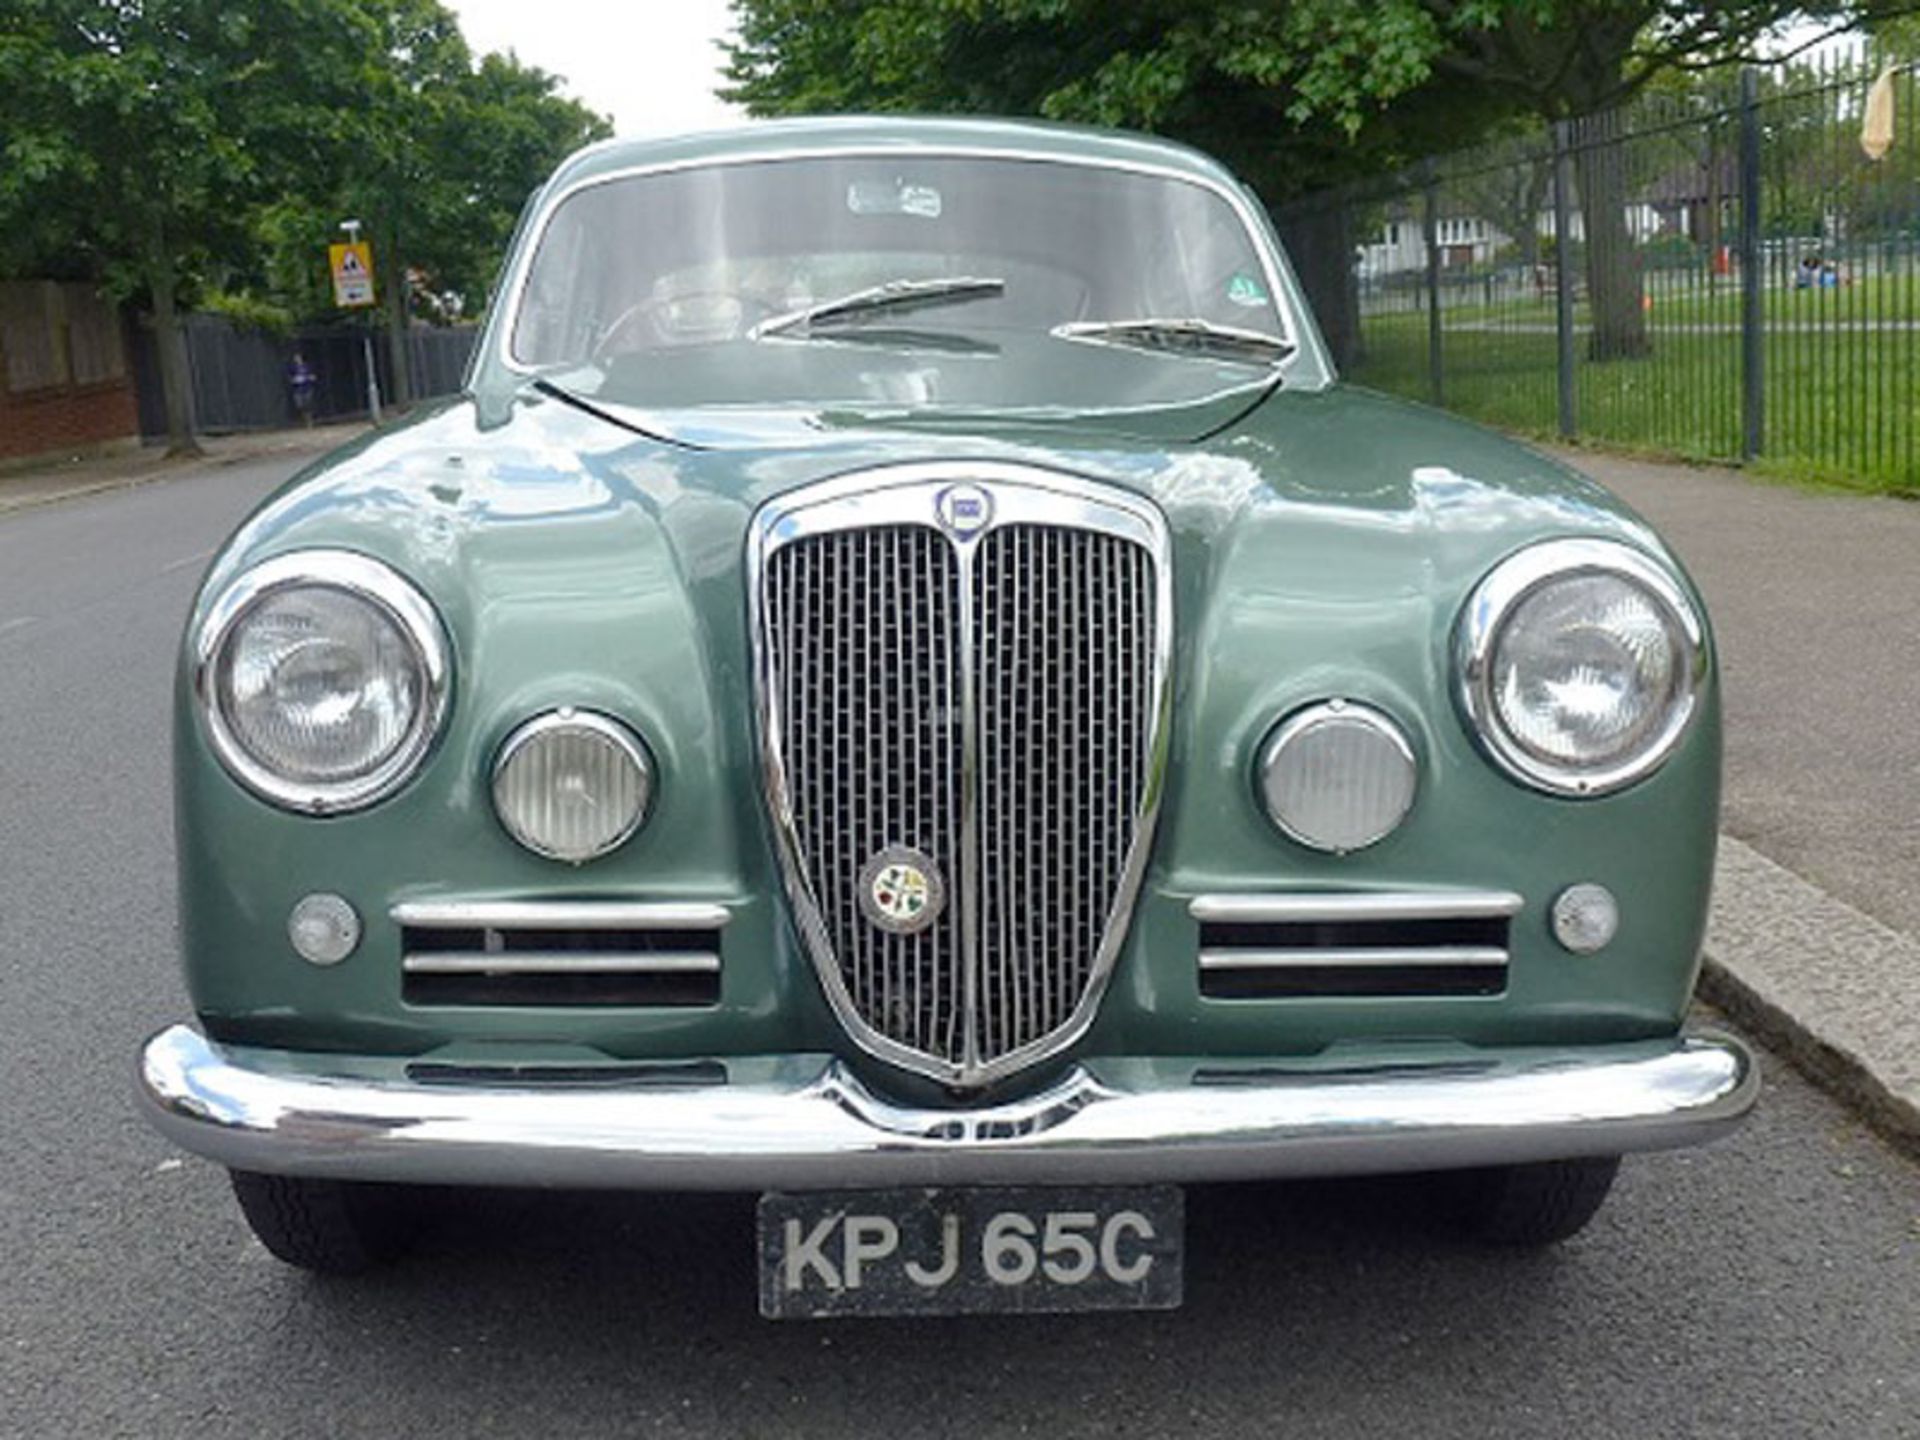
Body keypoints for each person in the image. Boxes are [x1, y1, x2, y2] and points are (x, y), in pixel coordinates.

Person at [286, 351, 317, 427]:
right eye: (295, 358)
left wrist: (310, 378)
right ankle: (305, 419)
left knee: (308, 404)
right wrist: (293, 380)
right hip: (298, 389)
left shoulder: (307, 366)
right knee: (300, 405)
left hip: (307, 387)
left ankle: (310, 421)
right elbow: (289, 378)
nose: (296, 359)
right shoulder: (292, 368)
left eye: (298, 357)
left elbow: (313, 376)